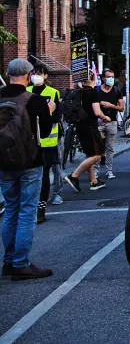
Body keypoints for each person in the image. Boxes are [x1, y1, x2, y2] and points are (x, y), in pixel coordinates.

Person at [0, 58, 55, 280]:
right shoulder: (35, 100)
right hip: (30, 161)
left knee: (10, 209)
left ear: (7, 73)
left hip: (3, 162)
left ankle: (8, 260)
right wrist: (48, 110)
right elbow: (47, 129)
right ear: (29, 75)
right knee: (26, 211)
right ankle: (21, 263)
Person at [64, 74, 110, 193]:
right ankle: (74, 175)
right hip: (90, 126)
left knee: (89, 154)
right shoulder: (92, 92)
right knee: (99, 153)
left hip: (80, 126)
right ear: (93, 80)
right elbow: (97, 111)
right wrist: (105, 117)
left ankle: (94, 181)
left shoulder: (78, 92)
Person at [29, 63, 63, 223]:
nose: (36, 76)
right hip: (29, 142)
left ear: (46, 76)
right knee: (30, 176)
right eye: (34, 73)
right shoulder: (26, 92)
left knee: (43, 176)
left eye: (40, 73)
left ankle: (41, 208)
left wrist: (46, 114)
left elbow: (57, 118)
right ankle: (31, 205)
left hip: (48, 142)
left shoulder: (53, 93)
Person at [94, 68, 125, 179]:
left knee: (110, 148)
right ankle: (95, 171)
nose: (111, 79)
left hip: (112, 122)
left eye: (112, 77)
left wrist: (111, 105)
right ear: (103, 78)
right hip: (98, 123)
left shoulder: (117, 91)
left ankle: (109, 170)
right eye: (108, 77)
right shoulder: (96, 90)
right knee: (97, 147)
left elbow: (121, 108)